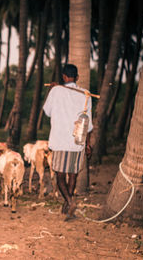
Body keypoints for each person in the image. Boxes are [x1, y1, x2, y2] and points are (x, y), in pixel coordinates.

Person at [43, 64, 93, 221]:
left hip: (60, 139)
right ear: (77, 77)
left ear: (64, 76)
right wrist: (88, 144)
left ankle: (69, 202)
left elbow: (47, 111)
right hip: (78, 140)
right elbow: (88, 123)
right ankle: (68, 206)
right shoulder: (86, 94)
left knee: (59, 174)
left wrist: (52, 90)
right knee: (73, 175)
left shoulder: (56, 90)